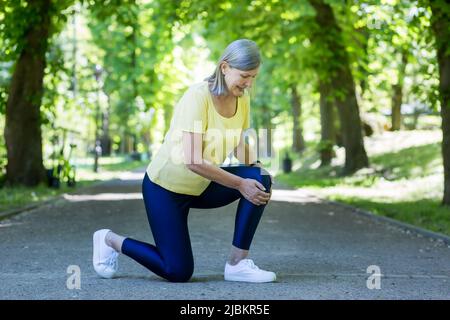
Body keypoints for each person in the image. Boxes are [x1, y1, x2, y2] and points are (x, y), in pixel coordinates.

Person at [93, 39, 275, 283]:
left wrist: (258, 169)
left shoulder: (242, 99)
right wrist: (240, 184)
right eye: (245, 76)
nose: (249, 83)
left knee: (260, 179)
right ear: (224, 68)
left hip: (201, 186)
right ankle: (109, 240)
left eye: (253, 77)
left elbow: (238, 142)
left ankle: (237, 264)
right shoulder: (197, 98)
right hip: (165, 189)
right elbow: (192, 160)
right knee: (177, 271)